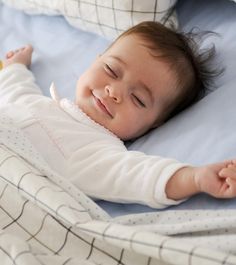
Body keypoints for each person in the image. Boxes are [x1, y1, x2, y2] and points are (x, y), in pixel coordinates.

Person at [0, 21, 236, 209]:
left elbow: (139, 177)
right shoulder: (38, 103)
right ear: (97, 59)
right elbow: (16, 91)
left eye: (138, 99)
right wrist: (16, 67)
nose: (114, 92)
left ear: (155, 124)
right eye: (111, 70)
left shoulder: (96, 150)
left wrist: (195, 179)